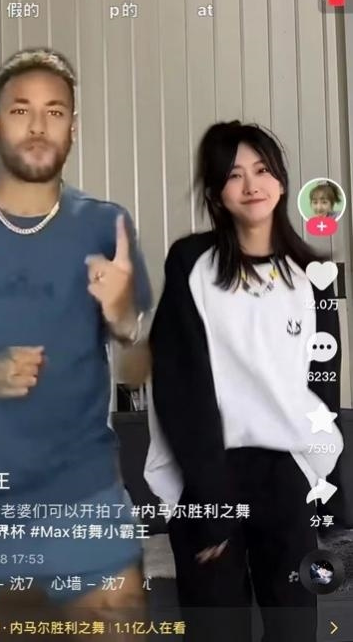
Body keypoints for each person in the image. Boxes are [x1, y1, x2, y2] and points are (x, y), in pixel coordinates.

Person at [0, 48, 153, 636]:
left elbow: (135, 368)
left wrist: (123, 317)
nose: (37, 125)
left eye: (55, 112)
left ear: (72, 128)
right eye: (20, 109)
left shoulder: (105, 225)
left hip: (79, 497)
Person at [144, 121, 344, 642]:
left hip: (287, 476)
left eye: (262, 170)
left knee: (295, 627)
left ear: (280, 180)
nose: (252, 185)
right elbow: (178, 382)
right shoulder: (192, 262)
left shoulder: (313, 273)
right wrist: (208, 499)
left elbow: (323, 384)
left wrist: (324, 486)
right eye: (235, 175)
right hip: (210, 471)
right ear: (216, 192)